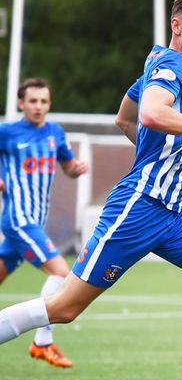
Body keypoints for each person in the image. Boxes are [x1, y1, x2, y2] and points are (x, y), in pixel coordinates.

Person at [0, 0, 182, 380]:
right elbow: (152, 114)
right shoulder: (171, 66)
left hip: (174, 211)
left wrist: (174, 163)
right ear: (177, 25)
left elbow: (125, 118)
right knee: (64, 308)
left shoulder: (160, 61)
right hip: (138, 208)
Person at [0, 78, 89, 368]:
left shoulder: (54, 133)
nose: (39, 107)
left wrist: (76, 169)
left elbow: (68, 167)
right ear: (21, 103)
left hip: (35, 220)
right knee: (62, 272)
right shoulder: (8, 132)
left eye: (44, 101)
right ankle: (42, 342)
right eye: (33, 101)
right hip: (18, 220)